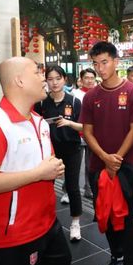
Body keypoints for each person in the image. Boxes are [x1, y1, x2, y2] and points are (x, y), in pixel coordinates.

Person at [0, 57, 70, 265]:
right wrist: (39, 173)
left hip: (48, 222)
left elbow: (44, 164)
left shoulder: (40, 121)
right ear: (19, 81)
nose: (44, 78)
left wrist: (53, 168)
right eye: (37, 72)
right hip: (15, 235)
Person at [80, 41, 133, 265]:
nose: (100, 68)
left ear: (116, 62)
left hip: (125, 167)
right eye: (95, 63)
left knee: (127, 218)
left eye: (104, 62)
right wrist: (105, 158)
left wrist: (115, 158)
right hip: (99, 167)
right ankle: (116, 257)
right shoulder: (92, 96)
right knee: (105, 216)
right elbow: (88, 132)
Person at [34, 65, 83, 241]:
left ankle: (75, 223)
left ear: (64, 79)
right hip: (50, 152)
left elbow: (84, 127)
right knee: (46, 186)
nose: (54, 83)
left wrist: (69, 123)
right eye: (50, 79)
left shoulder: (75, 101)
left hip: (72, 149)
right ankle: (46, 220)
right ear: (46, 81)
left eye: (57, 78)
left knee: (72, 186)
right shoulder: (41, 102)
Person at [72, 67, 98, 199]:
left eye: (92, 78)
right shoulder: (75, 94)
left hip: (93, 136)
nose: (89, 81)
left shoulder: (99, 93)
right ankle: (69, 190)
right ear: (81, 80)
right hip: (77, 134)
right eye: (86, 78)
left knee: (91, 164)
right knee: (73, 165)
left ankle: (89, 189)